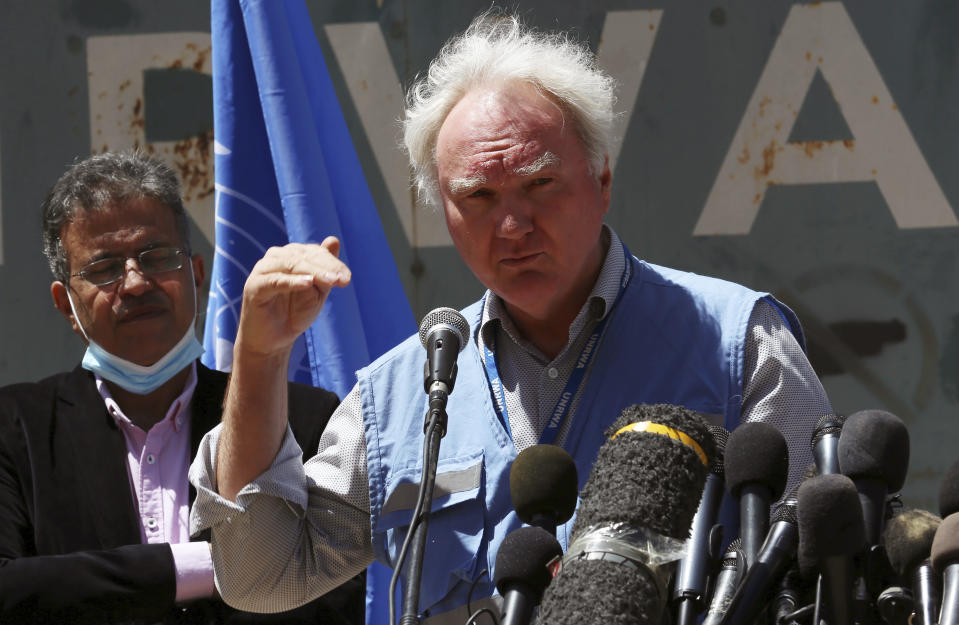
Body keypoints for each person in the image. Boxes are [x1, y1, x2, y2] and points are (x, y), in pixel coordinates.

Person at [190, 13, 834, 625]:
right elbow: (260, 576)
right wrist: (261, 357)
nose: (513, 225)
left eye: (540, 184)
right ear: (442, 211)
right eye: (479, 196)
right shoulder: (399, 398)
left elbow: (826, 570)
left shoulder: (733, 341)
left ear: (602, 178)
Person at [0, 151, 364, 624]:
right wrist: (211, 566)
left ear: (197, 275)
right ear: (66, 305)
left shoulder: (305, 419)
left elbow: (328, 600)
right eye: (104, 268)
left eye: (155, 257)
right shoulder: (15, 429)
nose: (134, 282)